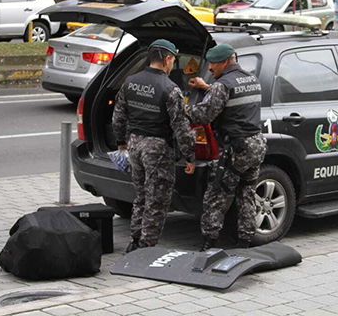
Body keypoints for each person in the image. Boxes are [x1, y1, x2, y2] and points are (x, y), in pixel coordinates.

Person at [112, 39, 196, 253]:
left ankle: (135, 240)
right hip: (157, 149)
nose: (172, 65)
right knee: (157, 200)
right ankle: (146, 249)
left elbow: (118, 118)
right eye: (173, 60)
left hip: (134, 146)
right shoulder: (170, 89)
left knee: (140, 196)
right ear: (167, 59)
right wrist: (189, 156)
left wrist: (121, 143)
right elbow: (181, 127)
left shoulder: (130, 82)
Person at [187, 43, 267, 251]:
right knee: (247, 193)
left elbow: (203, 115)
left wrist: (180, 107)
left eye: (213, 63)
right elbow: (232, 98)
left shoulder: (222, 85)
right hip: (255, 145)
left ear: (225, 61)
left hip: (235, 149)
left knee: (216, 194)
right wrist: (208, 88)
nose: (210, 67)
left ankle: (209, 242)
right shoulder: (251, 79)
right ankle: (244, 242)